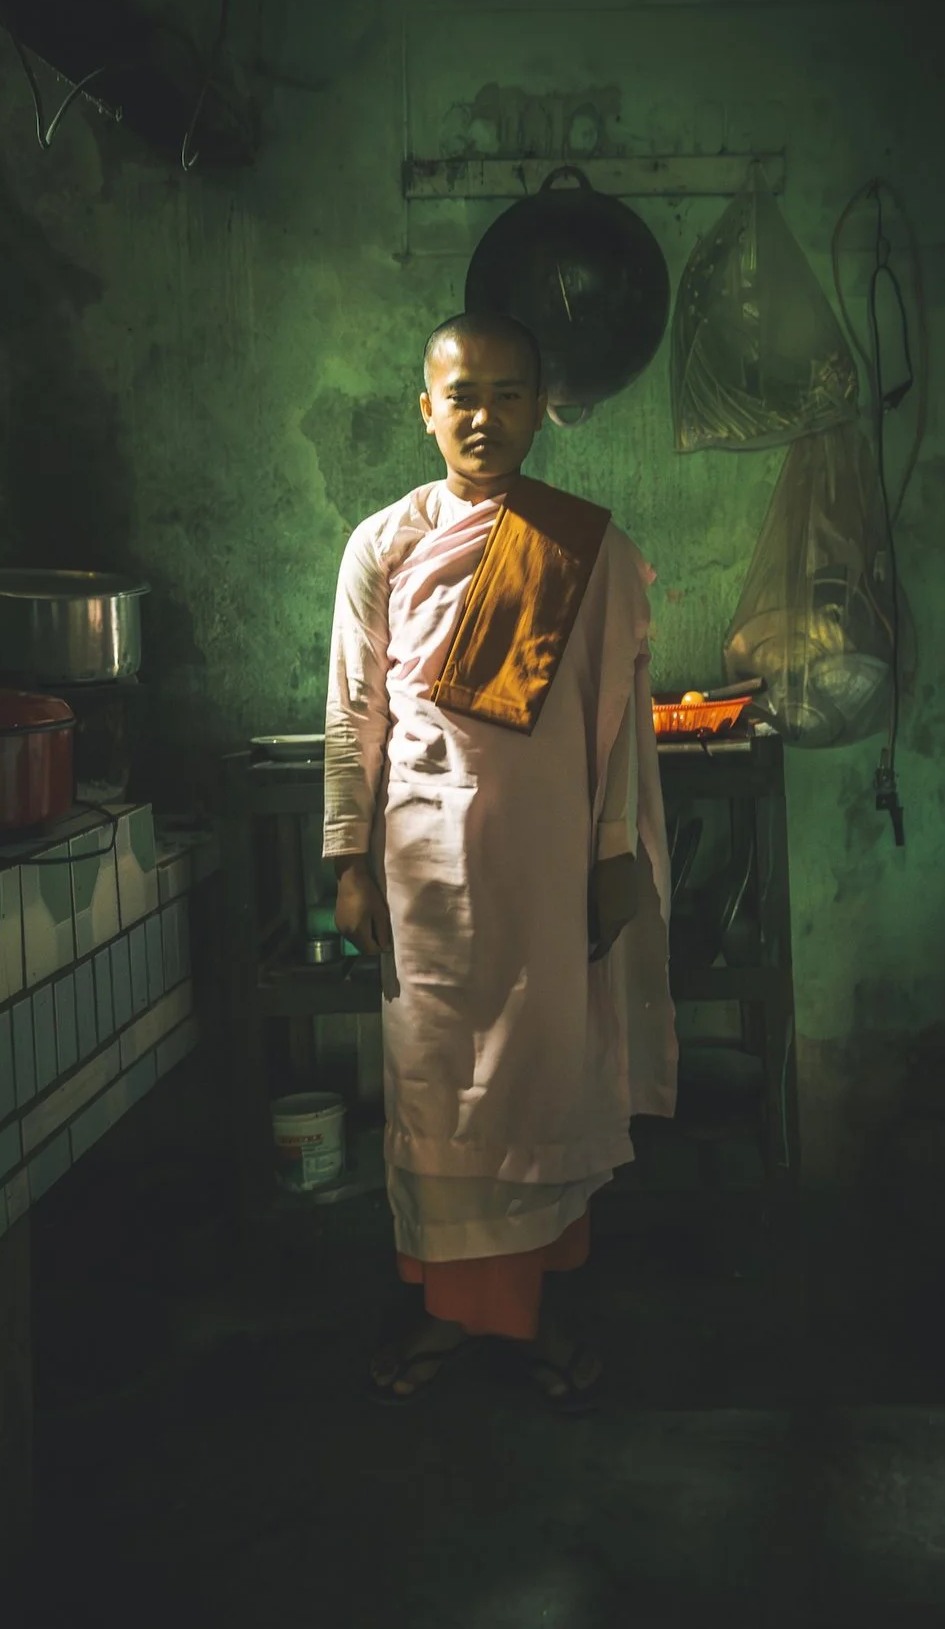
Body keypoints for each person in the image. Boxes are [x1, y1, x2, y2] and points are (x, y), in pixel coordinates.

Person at [323, 310, 676, 1413]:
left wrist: (614, 854)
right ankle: (444, 1312)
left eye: (508, 393)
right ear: (425, 409)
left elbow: (623, 727)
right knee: (436, 1090)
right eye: (460, 394)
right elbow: (352, 713)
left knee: (541, 1082)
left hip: (545, 871)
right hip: (420, 871)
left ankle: (534, 1311)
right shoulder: (381, 543)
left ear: (539, 408)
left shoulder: (590, 547)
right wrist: (345, 856)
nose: (483, 415)